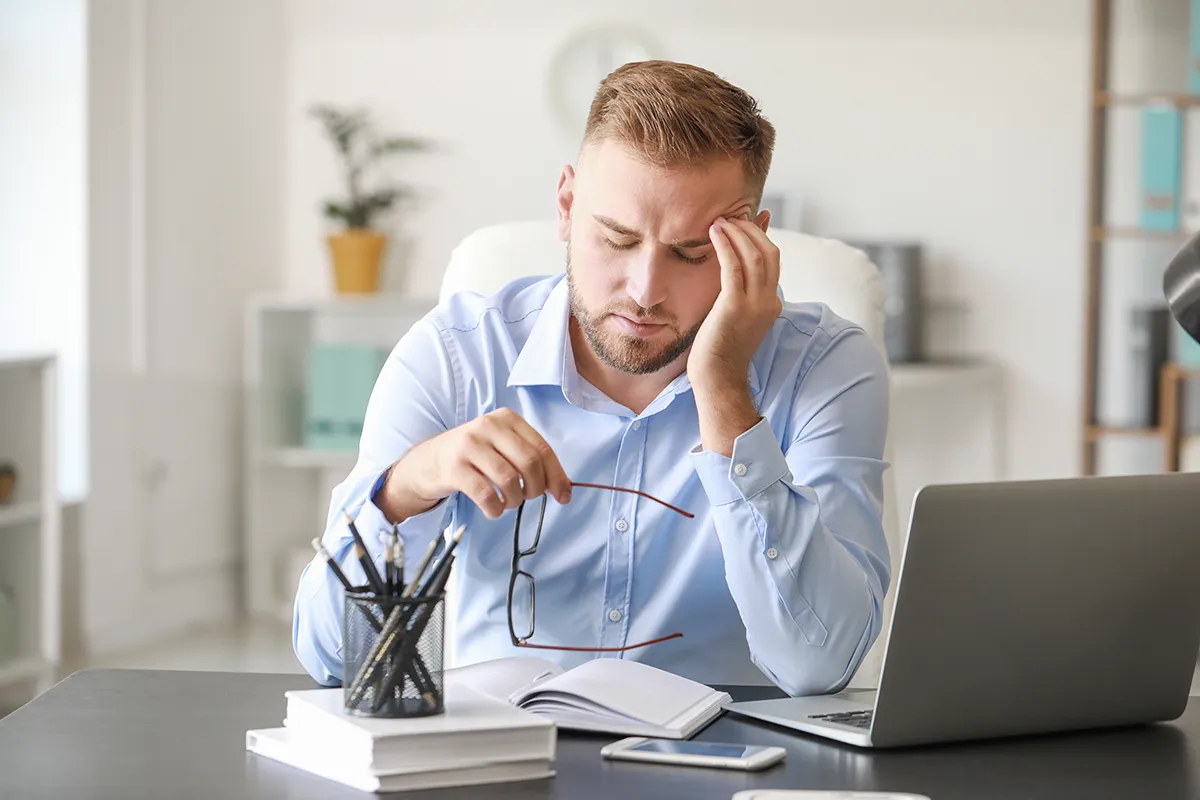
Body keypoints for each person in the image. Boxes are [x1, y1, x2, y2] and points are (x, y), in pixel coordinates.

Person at [293, 60, 891, 697]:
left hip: (727, 763)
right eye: (617, 238)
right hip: (501, 758)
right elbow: (334, 659)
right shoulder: (453, 356)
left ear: (750, 244)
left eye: (691, 254)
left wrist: (721, 385)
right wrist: (409, 487)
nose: (645, 291)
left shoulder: (826, 368)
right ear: (567, 206)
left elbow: (820, 665)